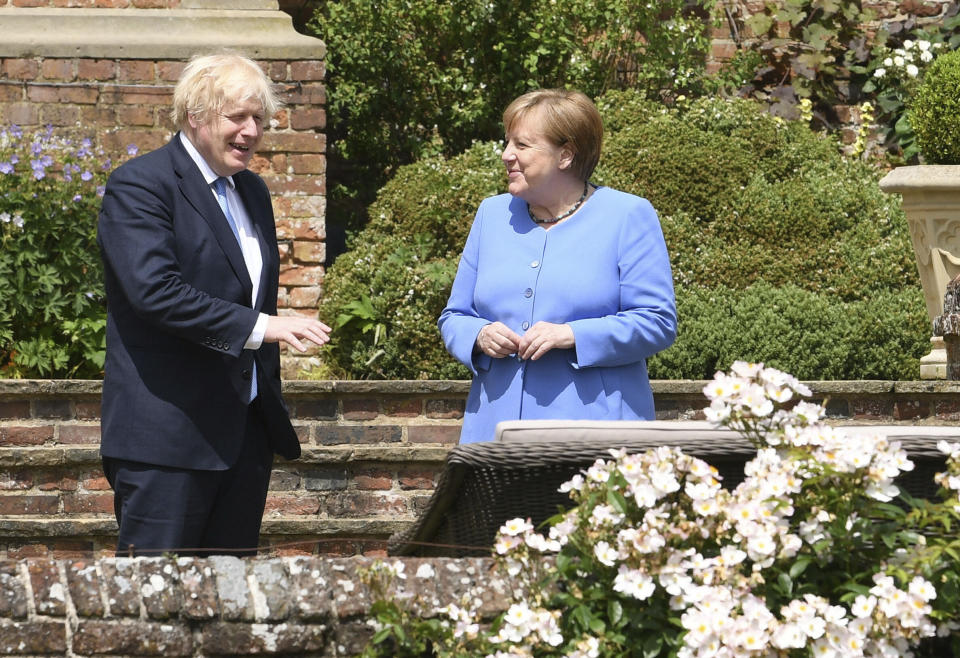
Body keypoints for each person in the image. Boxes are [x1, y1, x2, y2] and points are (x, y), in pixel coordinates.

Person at [97, 53, 331, 556]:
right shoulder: (141, 184)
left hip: (243, 441)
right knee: (152, 609)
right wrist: (261, 327)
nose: (252, 131)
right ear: (196, 115)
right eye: (238, 117)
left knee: (229, 613)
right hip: (166, 444)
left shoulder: (252, 192)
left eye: (259, 119)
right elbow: (154, 293)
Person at [438, 89, 677, 444]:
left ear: (565, 155)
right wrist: (479, 335)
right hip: (494, 431)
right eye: (507, 143)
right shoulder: (491, 215)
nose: (506, 155)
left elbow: (657, 322)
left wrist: (572, 335)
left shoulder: (627, 216)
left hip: (597, 434)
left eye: (522, 145)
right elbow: (454, 316)